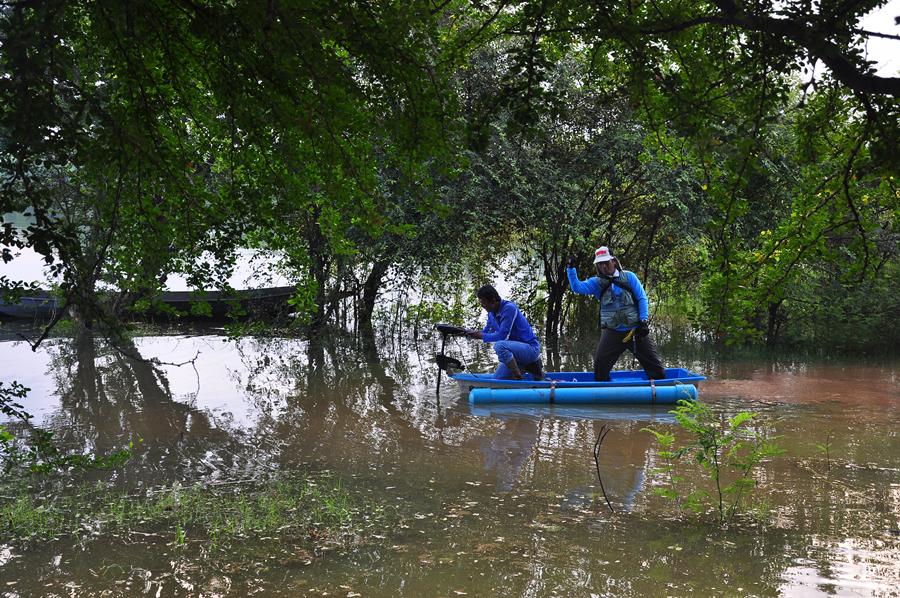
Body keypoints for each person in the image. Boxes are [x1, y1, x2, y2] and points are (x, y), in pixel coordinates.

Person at [567, 246, 665, 381]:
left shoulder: (629, 277)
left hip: (635, 330)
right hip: (612, 331)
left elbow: (642, 298)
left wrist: (643, 321)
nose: (603, 267)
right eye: (600, 264)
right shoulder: (596, 283)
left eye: (606, 262)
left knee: (655, 369)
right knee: (600, 369)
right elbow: (577, 287)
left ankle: (659, 389)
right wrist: (571, 268)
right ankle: (605, 393)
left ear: (613, 261)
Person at [467, 284, 544, 380]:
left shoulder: (509, 308)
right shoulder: (491, 314)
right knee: (497, 380)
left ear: (493, 300)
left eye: (484, 303)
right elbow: (486, 332)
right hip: (515, 353)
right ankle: (521, 373)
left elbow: (502, 336)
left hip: (530, 349)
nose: (483, 306)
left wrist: (481, 336)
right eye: (481, 303)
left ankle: (518, 376)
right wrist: (469, 333)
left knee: (499, 345)